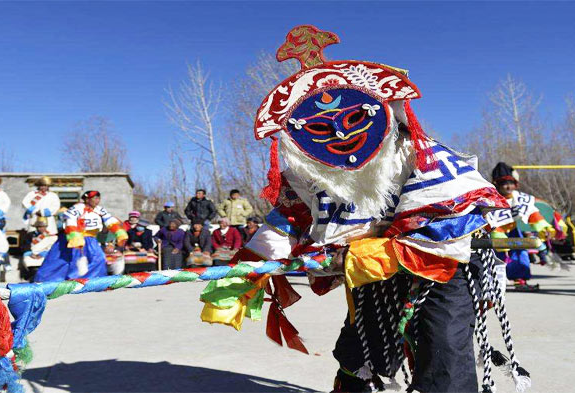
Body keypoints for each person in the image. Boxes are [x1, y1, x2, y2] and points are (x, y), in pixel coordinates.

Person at [198, 26, 528, 393]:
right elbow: (286, 223)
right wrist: (243, 275)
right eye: (321, 127)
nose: (341, 133)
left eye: (354, 119)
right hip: (369, 267)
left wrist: (386, 251)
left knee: (443, 349)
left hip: (442, 264)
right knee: (359, 353)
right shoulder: (311, 171)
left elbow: (453, 218)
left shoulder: (421, 155)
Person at [33, 190, 128, 282]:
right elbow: (70, 219)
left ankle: (92, 281)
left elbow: (110, 220)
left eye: (98, 198)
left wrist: (119, 232)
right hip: (73, 239)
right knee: (64, 260)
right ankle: (57, 280)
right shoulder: (77, 208)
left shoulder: (100, 210)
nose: (97, 200)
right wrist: (75, 235)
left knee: (98, 259)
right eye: (94, 198)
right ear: (87, 200)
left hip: (91, 239)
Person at [490, 162, 555, 291]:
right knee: (496, 257)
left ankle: (520, 280)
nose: (508, 186)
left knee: (520, 254)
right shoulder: (490, 199)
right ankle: (494, 283)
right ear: (497, 184)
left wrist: (543, 228)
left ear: (516, 184)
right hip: (495, 232)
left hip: (514, 230)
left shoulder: (521, 199)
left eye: (511, 183)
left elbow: (533, 214)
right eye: (504, 183)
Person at [20, 217, 58, 282]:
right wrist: (30, 254)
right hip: (32, 255)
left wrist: (42, 254)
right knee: (28, 262)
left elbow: (51, 248)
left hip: (45, 255)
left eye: (43, 227)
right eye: (39, 227)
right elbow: (26, 245)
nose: (41, 228)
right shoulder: (30, 235)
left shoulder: (50, 236)